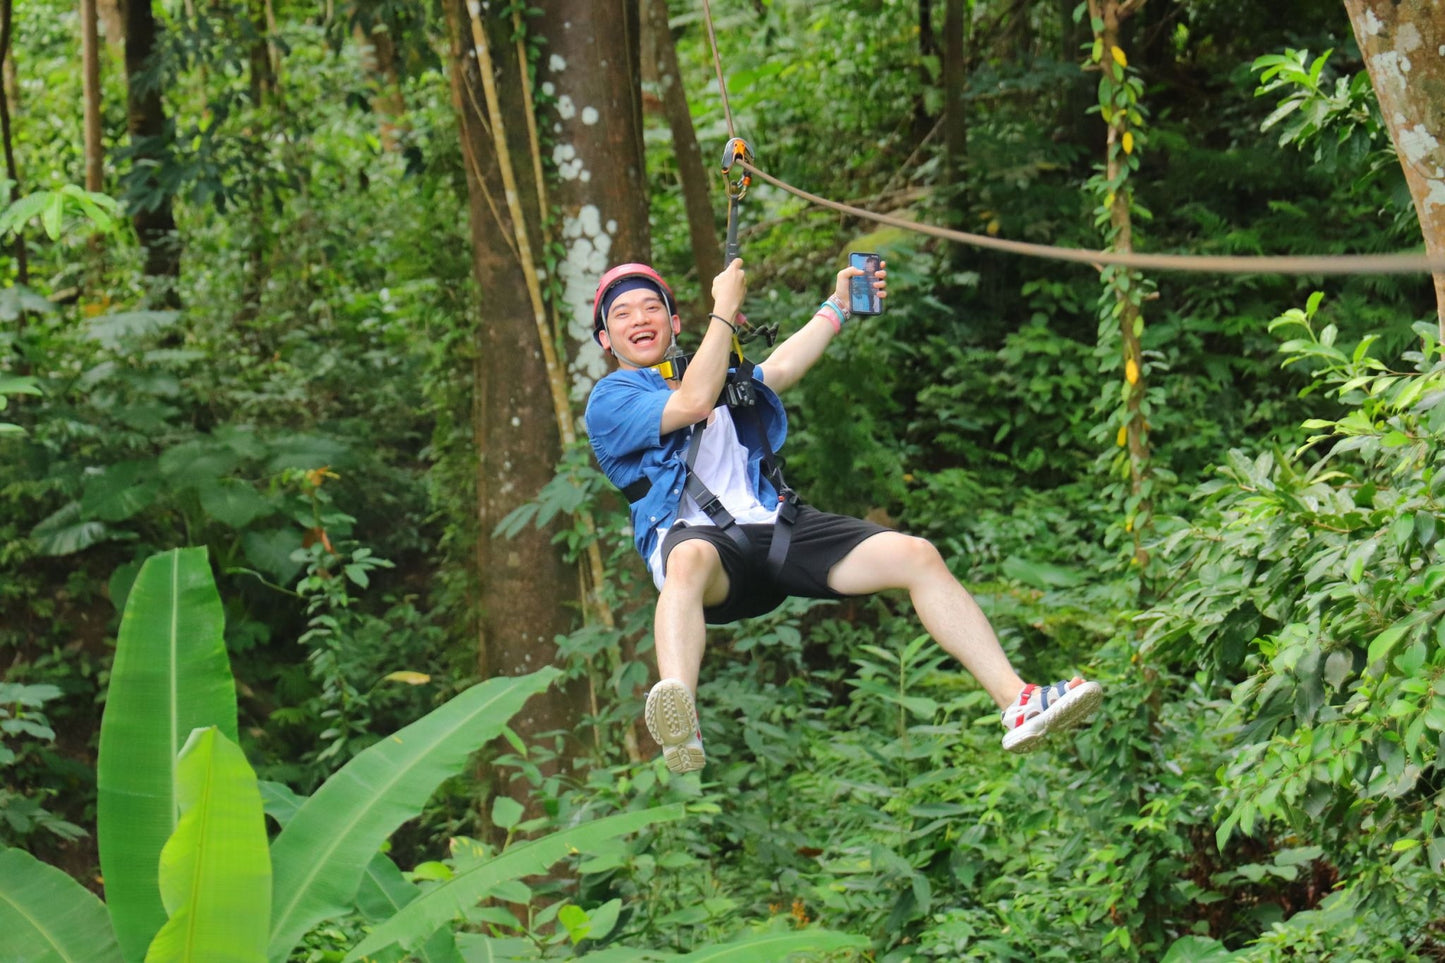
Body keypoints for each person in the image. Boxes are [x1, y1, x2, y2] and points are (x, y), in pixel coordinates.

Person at [583, 257, 1101, 774]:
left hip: (772, 530)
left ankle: (1018, 701)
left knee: (916, 555)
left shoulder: (713, 372)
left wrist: (836, 308)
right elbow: (693, 404)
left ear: (674, 323)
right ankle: (681, 718)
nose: (639, 318)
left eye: (652, 307)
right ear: (607, 340)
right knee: (690, 558)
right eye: (622, 314)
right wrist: (723, 310)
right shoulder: (612, 398)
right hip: (702, 550)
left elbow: (779, 369)